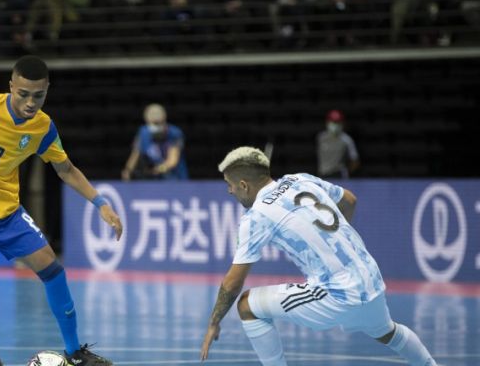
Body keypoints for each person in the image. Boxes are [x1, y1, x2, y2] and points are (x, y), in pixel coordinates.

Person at [0, 55, 123, 366]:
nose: (30, 102)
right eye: (23, 94)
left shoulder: (42, 127)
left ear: (47, 90)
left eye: (38, 96)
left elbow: (65, 170)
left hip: (6, 214)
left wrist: (100, 203)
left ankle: (74, 351)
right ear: (11, 86)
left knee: (53, 271)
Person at [200, 146, 438, 366]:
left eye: (229, 184)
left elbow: (233, 282)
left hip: (336, 294)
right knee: (388, 332)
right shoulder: (301, 179)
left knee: (247, 305)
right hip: (371, 281)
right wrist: (331, 243)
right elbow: (350, 200)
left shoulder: (256, 216)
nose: (229, 190)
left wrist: (213, 323)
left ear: (244, 184)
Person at [121, 103, 188, 181]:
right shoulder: (143, 133)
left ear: (164, 120)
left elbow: (173, 161)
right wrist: (128, 170)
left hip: (176, 179)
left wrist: (157, 170)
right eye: (153, 123)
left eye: (158, 123)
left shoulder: (174, 133)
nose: (155, 126)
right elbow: (136, 153)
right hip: (154, 180)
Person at [316, 109, 360, 178]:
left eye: (337, 122)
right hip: (323, 175)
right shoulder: (321, 137)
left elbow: (354, 160)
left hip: (339, 175)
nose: (335, 125)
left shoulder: (347, 139)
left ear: (342, 123)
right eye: (333, 122)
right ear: (327, 122)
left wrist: (348, 173)